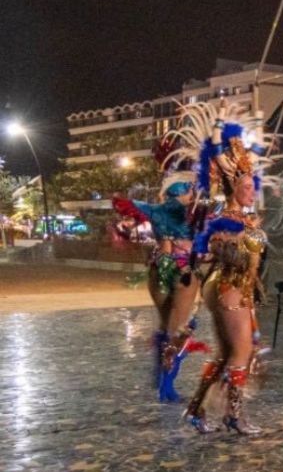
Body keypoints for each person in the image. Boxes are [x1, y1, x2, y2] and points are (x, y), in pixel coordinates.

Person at [181, 103, 273, 436]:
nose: (252, 191)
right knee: (242, 351)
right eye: (247, 187)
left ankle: (195, 411)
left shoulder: (247, 219)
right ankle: (233, 415)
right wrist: (227, 248)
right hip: (228, 286)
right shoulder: (226, 218)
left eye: (254, 186)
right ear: (234, 187)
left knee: (228, 353)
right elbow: (208, 248)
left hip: (240, 288)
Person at [112, 135, 204, 402]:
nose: (192, 194)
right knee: (180, 329)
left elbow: (126, 217)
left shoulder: (153, 209)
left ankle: (159, 374)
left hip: (157, 269)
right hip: (183, 271)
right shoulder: (191, 212)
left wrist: (125, 227)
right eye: (189, 190)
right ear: (182, 191)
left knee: (166, 324)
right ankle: (167, 385)